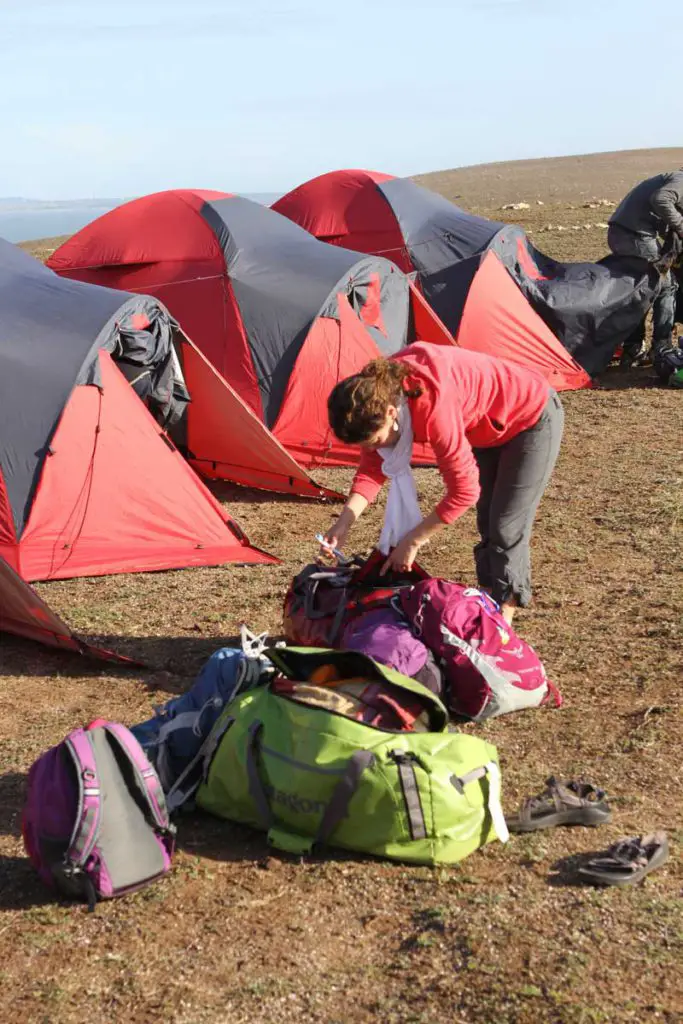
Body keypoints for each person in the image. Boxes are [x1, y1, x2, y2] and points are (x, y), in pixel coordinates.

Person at [320, 343, 564, 626]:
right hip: (485, 427)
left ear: (390, 412)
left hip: (531, 416)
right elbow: (372, 468)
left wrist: (413, 539)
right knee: (488, 521)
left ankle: (501, 627)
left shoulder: (434, 406)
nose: (373, 448)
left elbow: (464, 491)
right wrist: (344, 522)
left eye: (374, 441)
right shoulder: (373, 393)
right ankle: (488, 603)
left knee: (505, 526)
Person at [607, 169, 683, 366]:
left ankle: (632, 348)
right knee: (666, 286)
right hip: (635, 235)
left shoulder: (670, 178)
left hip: (625, 233)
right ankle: (661, 348)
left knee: (642, 289)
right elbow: (660, 199)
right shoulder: (681, 180)